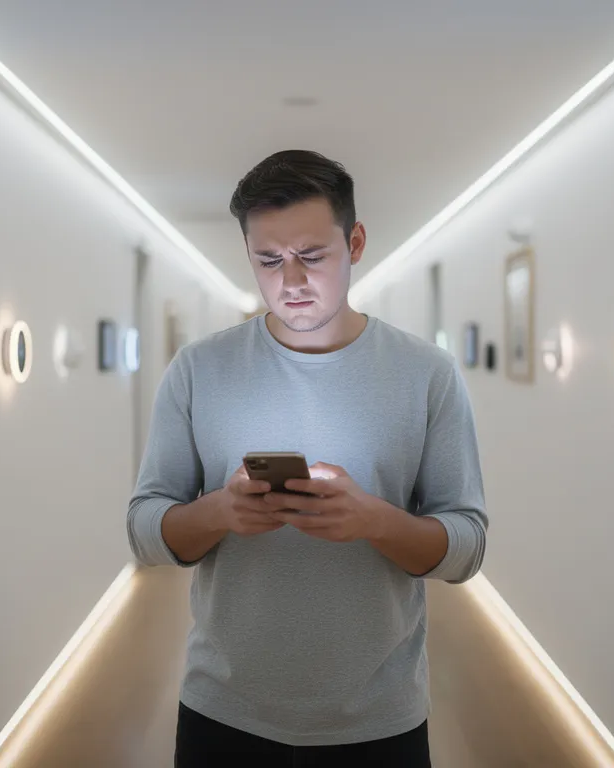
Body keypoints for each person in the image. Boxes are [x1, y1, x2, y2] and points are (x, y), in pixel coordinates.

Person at [126, 149, 489, 767]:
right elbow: (145, 532)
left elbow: (467, 548)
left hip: (379, 719)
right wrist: (220, 512)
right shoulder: (197, 370)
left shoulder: (427, 374)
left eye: (312, 257)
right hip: (223, 711)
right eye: (268, 261)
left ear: (355, 243)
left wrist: (374, 520)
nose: (290, 282)